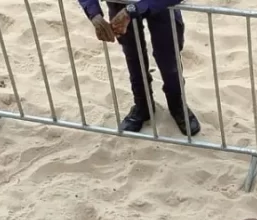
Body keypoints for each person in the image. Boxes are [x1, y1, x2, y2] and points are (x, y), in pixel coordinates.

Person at [78, 0, 201, 136]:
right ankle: (142, 105)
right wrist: (93, 12)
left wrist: (133, 10)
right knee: (132, 55)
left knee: (168, 56)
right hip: (120, 4)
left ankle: (178, 105)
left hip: (161, 4)